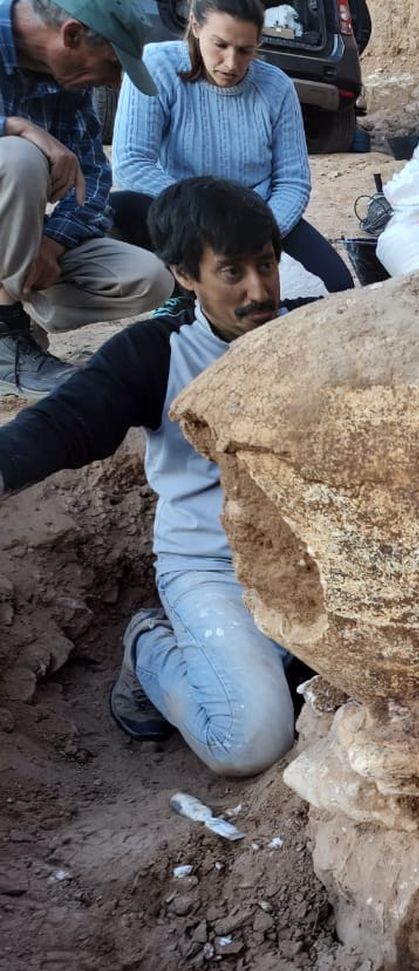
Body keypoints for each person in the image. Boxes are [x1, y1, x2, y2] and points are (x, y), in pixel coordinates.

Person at [0, 177, 314, 777]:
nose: (259, 291)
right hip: (211, 568)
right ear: (185, 275)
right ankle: (149, 644)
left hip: (312, 564)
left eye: (268, 265)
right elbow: (68, 421)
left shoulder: (309, 331)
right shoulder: (155, 353)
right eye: (233, 272)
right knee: (251, 739)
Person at [110, 0, 354, 298]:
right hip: (184, 212)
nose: (231, 63)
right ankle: (180, 296)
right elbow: (132, 162)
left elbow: (293, 181)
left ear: (258, 43)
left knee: (337, 285)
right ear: (196, 26)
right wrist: (207, 221)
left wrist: (260, 235)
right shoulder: (157, 64)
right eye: (220, 45)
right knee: (121, 208)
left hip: (256, 215)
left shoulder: (277, 87)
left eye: (244, 51)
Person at [0, 0, 175, 398]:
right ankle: (5, 329)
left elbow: (95, 176)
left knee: (150, 279)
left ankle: (13, 322)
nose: (116, 84)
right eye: (114, 65)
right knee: (19, 157)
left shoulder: (65, 80)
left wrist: (52, 241)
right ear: (72, 35)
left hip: (11, 244)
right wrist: (17, 127)